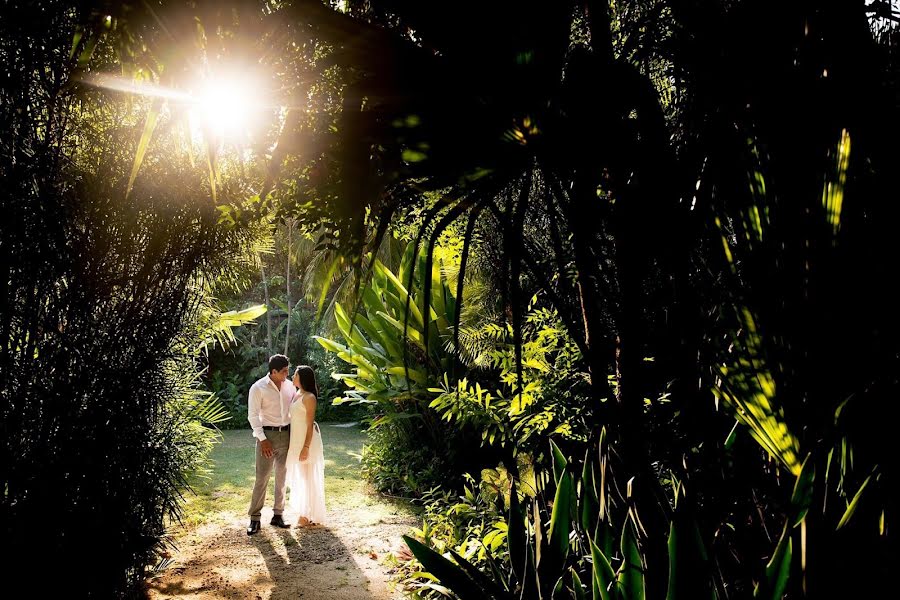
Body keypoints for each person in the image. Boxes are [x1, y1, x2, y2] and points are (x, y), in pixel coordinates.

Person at [246, 354, 297, 535]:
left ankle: (278, 514)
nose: (287, 374)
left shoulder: (290, 386)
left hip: (287, 435)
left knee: (282, 476)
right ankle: (254, 518)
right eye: (284, 371)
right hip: (267, 436)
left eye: (287, 371)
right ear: (273, 371)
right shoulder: (258, 388)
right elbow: (252, 415)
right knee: (262, 477)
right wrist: (263, 439)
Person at [286, 365, 326, 527]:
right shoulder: (297, 394)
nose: (292, 377)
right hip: (296, 440)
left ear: (302, 378)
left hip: (307, 441)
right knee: (301, 477)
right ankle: (304, 513)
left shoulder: (309, 397)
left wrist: (306, 447)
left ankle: (307, 515)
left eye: (295, 375)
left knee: (308, 478)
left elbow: (309, 424)